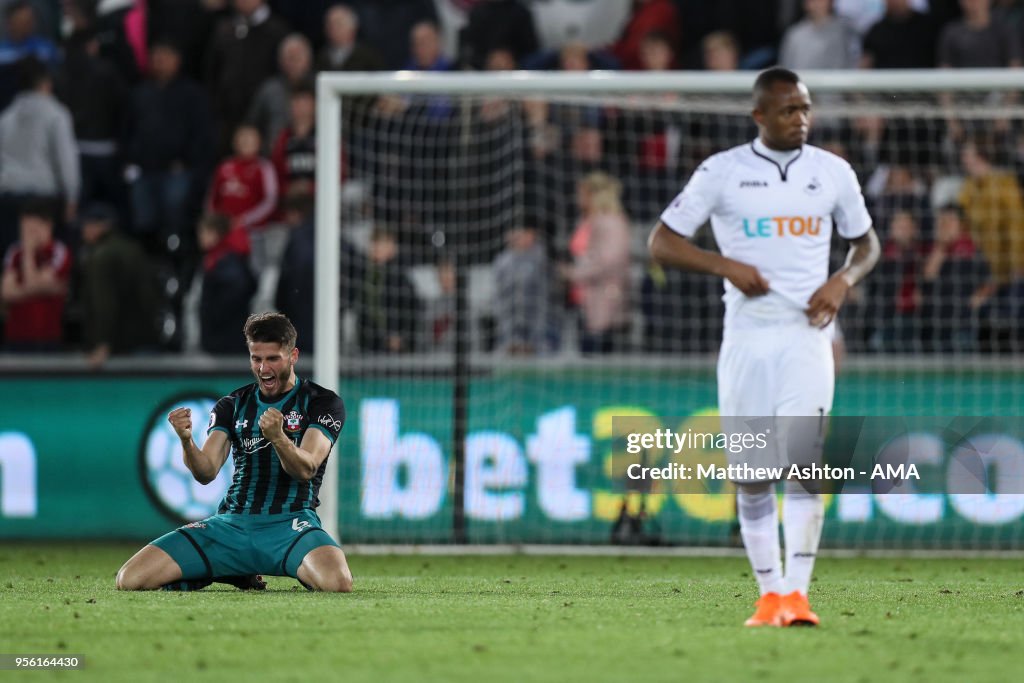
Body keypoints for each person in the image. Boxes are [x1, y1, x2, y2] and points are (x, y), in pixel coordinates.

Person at [648, 67, 880, 627]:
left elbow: (866, 245)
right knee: (753, 471)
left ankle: (797, 596)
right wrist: (724, 264)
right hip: (748, 338)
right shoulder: (723, 172)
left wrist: (843, 280)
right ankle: (769, 593)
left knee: (803, 463)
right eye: (788, 110)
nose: (800, 119)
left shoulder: (833, 172)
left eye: (804, 108)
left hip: (807, 336)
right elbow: (662, 242)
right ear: (759, 116)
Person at [116, 311, 353, 593]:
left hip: (290, 524)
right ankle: (229, 571)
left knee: (337, 583)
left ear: (293, 356)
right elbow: (206, 472)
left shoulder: (322, 402)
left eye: (272, 359)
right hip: (232, 526)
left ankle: (247, 567)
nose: (263, 369)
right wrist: (186, 440)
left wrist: (279, 438)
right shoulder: (232, 405)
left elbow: (307, 468)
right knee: (130, 579)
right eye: (256, 359)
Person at [78, 203, 161, 368]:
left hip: (120, 347)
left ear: (102, 226)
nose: (83, 230)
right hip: (146, 338)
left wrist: (102, 344)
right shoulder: (132, 247)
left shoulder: (101, 256)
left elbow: (104, 303)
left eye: (87, 225)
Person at [0, 200, 72, 351]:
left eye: (32, 229)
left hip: (46, 338)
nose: (27, 235)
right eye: (24, 229)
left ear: (47, 226)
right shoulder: (14, 252)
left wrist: (29, 254)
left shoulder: (59, 251)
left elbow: (32, 284)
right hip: (14, 337)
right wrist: (44, 289)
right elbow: (6, 293)